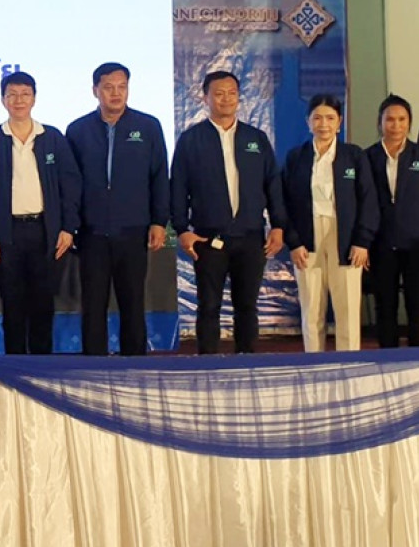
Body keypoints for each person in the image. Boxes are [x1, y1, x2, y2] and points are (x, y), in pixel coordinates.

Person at [171, 71, 286, 354]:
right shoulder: (191, 139)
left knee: (247, 306)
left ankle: (247, 362)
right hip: (208, 238)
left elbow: (273, 184)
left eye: (232, 93)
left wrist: (278, 225)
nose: (226, 99)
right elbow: (178, 188)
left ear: (239, 97)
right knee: (208, 305)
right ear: (204, 97)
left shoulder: (255, 138)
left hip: (250, 236)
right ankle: (207, 365)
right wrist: (182, 229)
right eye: (219, 93)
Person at [0, 71, 81, 355]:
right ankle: (14, 366)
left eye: (25, 94)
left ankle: (42, 367)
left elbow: (70, 185)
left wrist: (68, 227)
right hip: (7, 234)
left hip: (46, 232)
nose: (19, 100)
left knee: (43, 304)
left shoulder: (52, 137)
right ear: (3, 100)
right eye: (12, 95)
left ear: (34, 98)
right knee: (13, 305)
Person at [66, 62, 169, 356]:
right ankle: (94, 366)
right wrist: (71, 225)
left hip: (133, 229)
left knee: (133, 302)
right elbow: (69, 183)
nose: (116, 93)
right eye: (108, 87)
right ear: (95, 91)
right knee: (93, 304)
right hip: (92, 232)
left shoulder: (148, 126)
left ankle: (134, 365)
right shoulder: (77, 130)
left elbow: (159, 176)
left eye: (122, 87)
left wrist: (159, 221)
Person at [282, 94, 378, 352]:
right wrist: (294, 242)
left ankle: (349, 363)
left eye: (330, 118)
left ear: (339, 122)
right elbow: (284, 203)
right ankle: (314, 363)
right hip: (307, 240)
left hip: (345, 238)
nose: (323, 124)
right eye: (317, 118)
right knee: (311, 308)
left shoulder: (354, 156)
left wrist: (362, 241)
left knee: (347, 309)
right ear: (308, 121)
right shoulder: (296, 157)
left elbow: (368, 200)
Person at [366, 94, 419, 348]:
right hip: (381, 243)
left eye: (402, 119)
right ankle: (386, 359)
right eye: (390, 120)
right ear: (380, 123)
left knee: (416, 304)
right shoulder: (366, 157)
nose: (396, 125)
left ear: (409, 122)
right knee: (384, 305)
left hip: (416, 244)